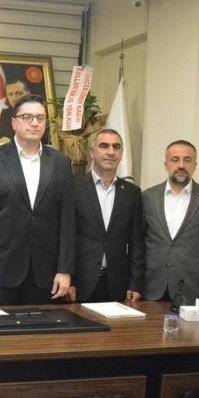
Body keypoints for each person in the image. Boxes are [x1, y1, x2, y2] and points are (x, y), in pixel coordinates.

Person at [0, 94, 75, 305]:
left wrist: (64, 270)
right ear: (13, 122)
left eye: (40, 118)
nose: (35, 123)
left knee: (42, 326)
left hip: (45, 273)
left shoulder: (61, 163)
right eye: (27, 117)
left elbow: (67, 222)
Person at [142, 140, 199, 308]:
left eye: (187, 160)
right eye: (175, 159)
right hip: (151, 287)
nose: (181, 165)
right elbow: (138, 245)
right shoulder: (148, 197)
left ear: (195, 165)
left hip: (192, 290)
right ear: (166, 164)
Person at [69, 129, 145, 303]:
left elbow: (137, 243)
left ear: (121, 154)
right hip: (80, 283)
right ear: (92, 152)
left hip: (117, 284)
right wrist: (69, 279)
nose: (111, 152)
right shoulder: (73, 188)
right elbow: (65, 238)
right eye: (104, 146)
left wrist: (135, 284)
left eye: (116, 147)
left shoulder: (132, 193)